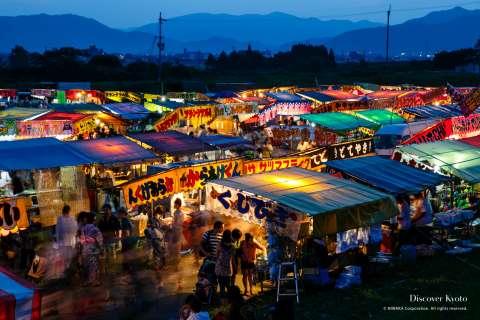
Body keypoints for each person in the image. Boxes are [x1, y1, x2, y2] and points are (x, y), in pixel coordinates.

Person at [78, 212, 103, 286]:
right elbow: (99, 240)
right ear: (94, 219)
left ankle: (86, 281)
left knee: (86, 266)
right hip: (93, 251)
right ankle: (93, 281)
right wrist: (101, 249)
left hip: (85, 250)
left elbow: (81, 240)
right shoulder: (95, 229)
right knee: (93, 266)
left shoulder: (83, 228)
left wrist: (81, 250)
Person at [55, 204, 78, 276]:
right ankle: (68, 272)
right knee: (69, 258)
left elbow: (58, 231)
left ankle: (65, 272)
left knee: (65, 258)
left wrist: (58, 242)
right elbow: (75, 230)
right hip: (69, 243)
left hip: (64, 243)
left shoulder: (60, 219)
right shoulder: (71, 219)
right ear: (69, 211)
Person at [144, 220, 167, 290]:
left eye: (147, 236)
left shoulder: (154, 236)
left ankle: (160, 282)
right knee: (159, 263)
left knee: (157, 267)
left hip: (159, 248)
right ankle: (160, 279)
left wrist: (156, 258)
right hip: (160, 248)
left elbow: (158, 248)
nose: (147, 237)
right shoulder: (153, 232)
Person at [97, 204, 120, 272]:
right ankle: (106, 270)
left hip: (112, 240)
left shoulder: (114, 219)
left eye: (107, 210)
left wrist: (117, 241)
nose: (105, 211)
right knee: (104, 257)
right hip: (103, 240)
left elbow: (117, 231)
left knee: (112, 256)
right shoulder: (101, 219)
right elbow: (99, 231)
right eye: (104, 210)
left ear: (110, 210)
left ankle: (112, 270)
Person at [215, 230, 233, 297]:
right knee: (228, 285)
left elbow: (216, 255)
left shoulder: (220, 244)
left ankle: (223, 300)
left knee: (221, 285)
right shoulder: (232, 245)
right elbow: (232, 257)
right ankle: (230, 300)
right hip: (228, 267)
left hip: (220, 267)